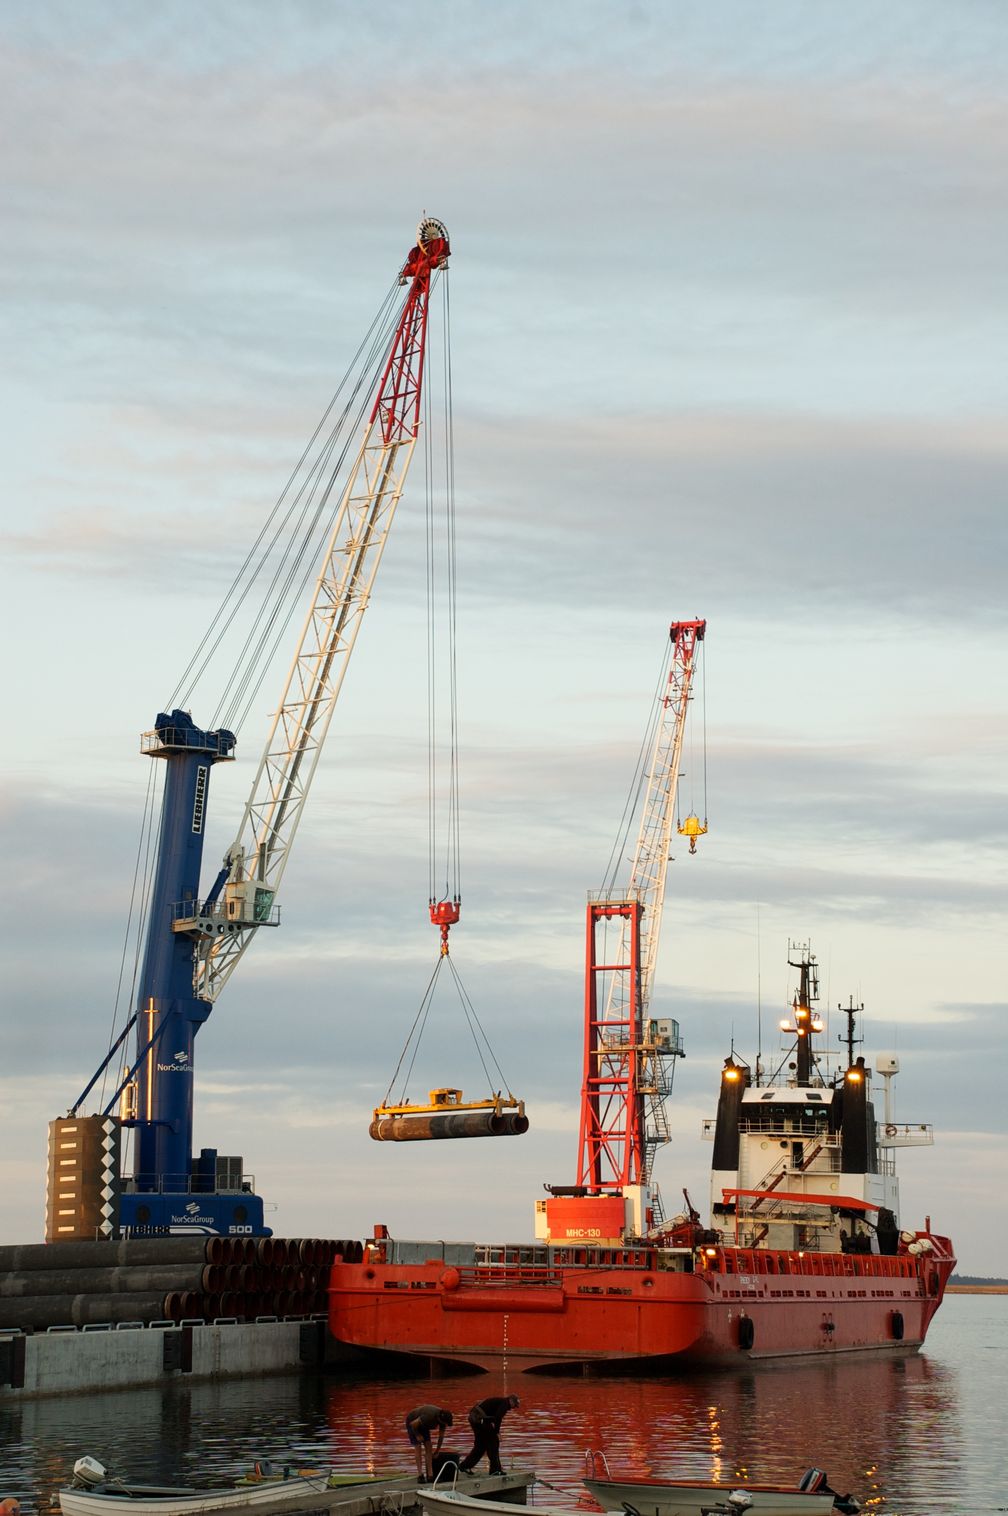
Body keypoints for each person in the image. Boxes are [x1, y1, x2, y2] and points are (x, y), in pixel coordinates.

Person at [458, 1394, 519, 1476]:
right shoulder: (505, 1403)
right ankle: (495, 1470)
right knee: (493, 1443)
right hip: (480, 1420)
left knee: (480, 1447)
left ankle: (464, 1466)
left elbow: (493, 1418)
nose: (513, 1408)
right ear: (511, 1400)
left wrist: (495, 1431)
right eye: (514, 1405)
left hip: (476, 1419)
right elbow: (498, 1418)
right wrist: (497, 1432)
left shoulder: (500, 1401)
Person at [405, 1405, 453, 1481]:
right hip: (412, 1421)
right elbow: (413, 1424)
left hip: (424, 1424)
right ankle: (420, 1475)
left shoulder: (443, 1421)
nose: (444, 1425)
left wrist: (437, 1451)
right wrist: (417, 1435)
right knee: (418, 1446)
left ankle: (430, 1476)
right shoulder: (429, 1416)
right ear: (439, 1419)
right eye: (444, 1423)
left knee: (429, 1446)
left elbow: (441, 1437)